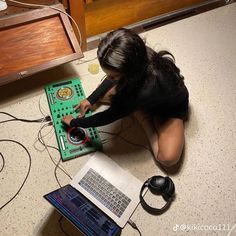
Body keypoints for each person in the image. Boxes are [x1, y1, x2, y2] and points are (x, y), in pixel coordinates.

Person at [62, 28, 189, 167]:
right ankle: (136, 108)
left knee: (167, 158)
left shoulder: (141, 92)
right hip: (142, 92)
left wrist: (74, 123)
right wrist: (91, 99)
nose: (109, 78)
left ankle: (143, 117)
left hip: (170, 110)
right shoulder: (138, 53)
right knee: (103, 90)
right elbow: (114, 78)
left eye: (113, 76)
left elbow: (107, 117)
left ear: (129, 73)